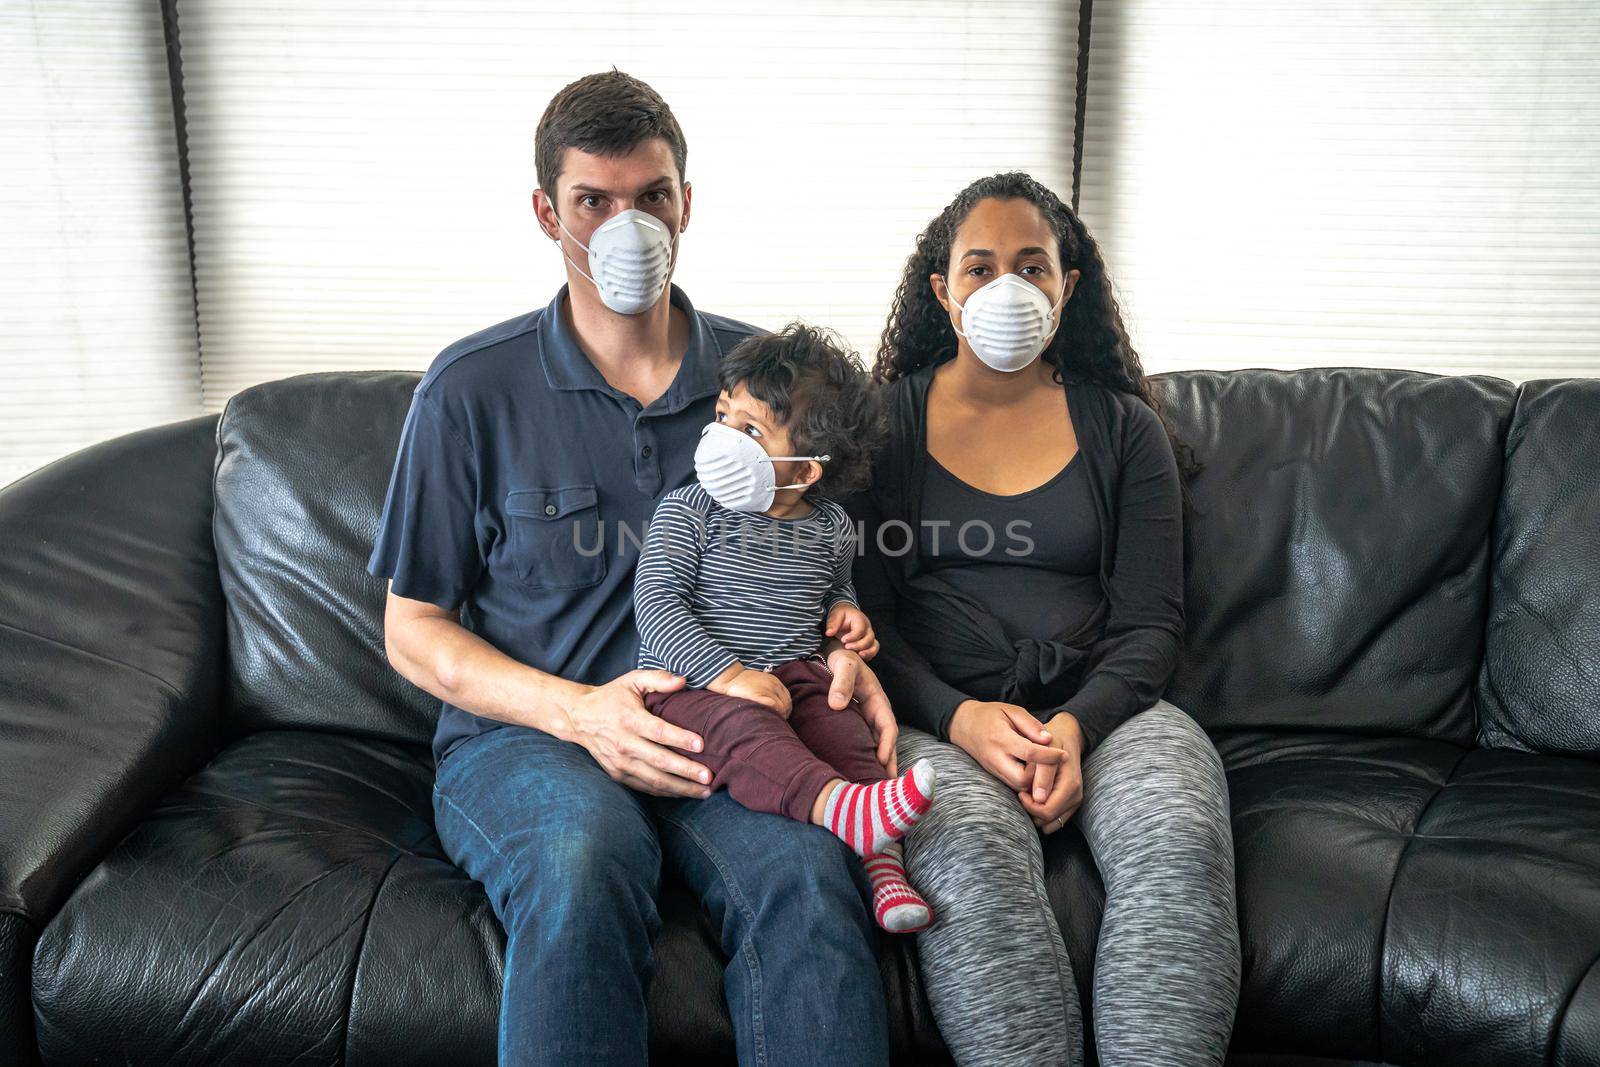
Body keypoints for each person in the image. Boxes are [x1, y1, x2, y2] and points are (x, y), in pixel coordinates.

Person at [368, 71, 894, 1066]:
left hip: (730, 729)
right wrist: (577, 711)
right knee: (579, 865)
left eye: (651, 196)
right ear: (545, 213)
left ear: (686, 203)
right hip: (531, 739)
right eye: (593, 202)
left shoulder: (768, 381)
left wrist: (845, 651)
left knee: (811, 880)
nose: (628, 225)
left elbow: (823, 569)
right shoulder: (469, 390)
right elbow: (413, 624)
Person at [847, 171, 1242, 1066]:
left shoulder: (1125, 429)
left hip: (1111, 712)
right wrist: (959, 717)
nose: (1007, 288)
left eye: (1033, 266)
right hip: (930, 717)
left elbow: (1151, 625)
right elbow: (868, 617)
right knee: (972, 852)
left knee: (1179, 834)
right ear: (942, 292)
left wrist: (1075, 723)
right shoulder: (887, 426)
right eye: (980, 268)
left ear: (1067, 289)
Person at [634, 323, 936, 934]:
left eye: (749, 431)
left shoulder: (830, 528)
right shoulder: (688, 511)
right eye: (722, 416)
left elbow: (835, 593)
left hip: (798, 677)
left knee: (847, 732)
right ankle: (838, 809)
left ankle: (883, 869)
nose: (721, 439)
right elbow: (658, 606)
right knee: (750, 735)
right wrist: (729, 675)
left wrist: (844, 628)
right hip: (695, 691)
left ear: (804, 473)